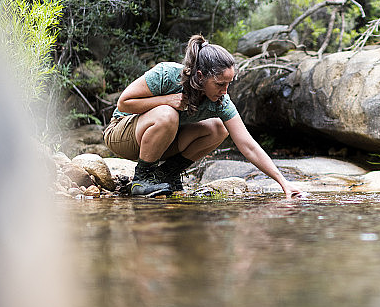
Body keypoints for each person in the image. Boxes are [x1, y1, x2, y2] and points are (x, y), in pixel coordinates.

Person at [103, 35, 305, 198]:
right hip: (122, 133)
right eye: (219, 84)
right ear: (200, 76)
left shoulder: (220, 101)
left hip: (160, 141)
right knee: (167, 114)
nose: (225, 91)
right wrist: (167, 100)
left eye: (229, 84)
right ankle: (142, 178)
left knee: (219, 127)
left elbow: (248, 144)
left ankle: (167, 174)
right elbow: (124, 103)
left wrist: (283, 183)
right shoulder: (167, 74)